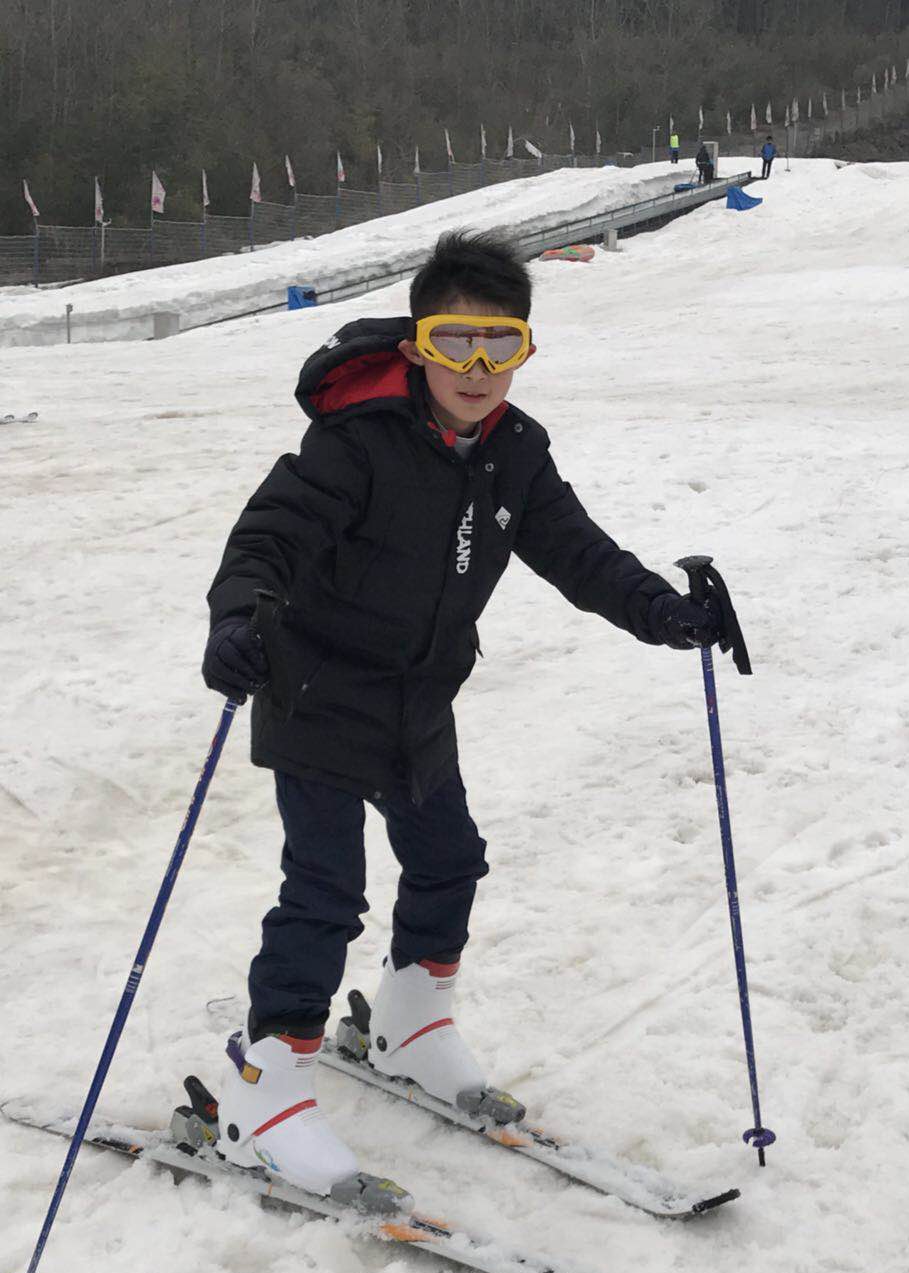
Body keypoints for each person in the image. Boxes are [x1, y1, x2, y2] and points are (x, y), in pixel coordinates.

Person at [200, 230, 728, 1197]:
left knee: (449, 857)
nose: (477, 371)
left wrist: (660, 610)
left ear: (525, 352)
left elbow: (577, 550)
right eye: (455, 345)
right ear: (416, 347)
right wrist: (236, 616)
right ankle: (266, 1088)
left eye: (502, 348)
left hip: (418, 692)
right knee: (325, 889)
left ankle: (412, 1018)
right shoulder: (356, 443)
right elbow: (269, 532)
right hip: (315, 686)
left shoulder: (515, 455)